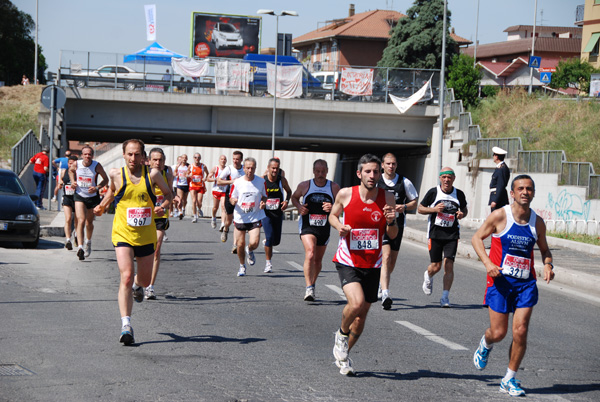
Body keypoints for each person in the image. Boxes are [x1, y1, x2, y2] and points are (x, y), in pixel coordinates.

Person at [471, 174, 554, 397]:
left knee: (521, 331)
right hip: (500, 282)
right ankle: (486, 343)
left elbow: (545, 250)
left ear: (533, 193)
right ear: (512, 193)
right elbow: (476, 238)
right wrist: (488, 263)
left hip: (525, 284)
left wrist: (548, 265)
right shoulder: (500, 216)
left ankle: (509, 378)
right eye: (520, 188)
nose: (525, 192)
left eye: (529, 189)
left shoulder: (537, 222)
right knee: (499, 333)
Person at [93, 139, 171, 345]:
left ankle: (139, 285)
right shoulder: (116, 174)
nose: (133, 158)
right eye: (129, 154)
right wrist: (102, 205)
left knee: (143, 281)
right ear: (123, 154)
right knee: (126, 276)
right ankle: (126, 325)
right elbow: (113, 190)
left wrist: (163, 205)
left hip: (146, 235)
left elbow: (169, 194)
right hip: (123, 233)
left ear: (143, 156)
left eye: (137, 154)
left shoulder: (152, 175)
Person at [329, 154, 397, 375]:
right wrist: (339, 225)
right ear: (359, 173)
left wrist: (391, 220)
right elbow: (332, 215)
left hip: (372, 263)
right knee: (356, 303)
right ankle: (340, 334)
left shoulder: (387, 197)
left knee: (362, 316)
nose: (372, 175)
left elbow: (393, 234)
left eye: (376, 171)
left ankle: (344, 355)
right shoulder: (346, 193)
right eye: (368, 171)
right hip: (348, 259)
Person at [417, 167, 468, 307]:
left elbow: (464, 209)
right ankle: (428, 275)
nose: (447, 179)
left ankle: (445, 297)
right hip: (435, 233)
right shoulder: (434, 192)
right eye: (444, 177)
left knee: (449, 264)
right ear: (440, 178)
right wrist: (434, 209)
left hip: (452, 234)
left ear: (453, 179)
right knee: (436, 266)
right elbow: (420, 208)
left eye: (449, 177)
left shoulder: (459, 194)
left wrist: (462, 214)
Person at [291, 159, 340, 301]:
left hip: (324, 227)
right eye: (317, 171)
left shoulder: (334, 187)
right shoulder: (305, 185)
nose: (320, 174)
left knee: (318, 260)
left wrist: (333, 208)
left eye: (323, 171)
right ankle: (308, 288)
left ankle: (312, 283)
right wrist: (299, 207)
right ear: (313, 171)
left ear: (327, 171)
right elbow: (294, 197)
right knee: (310, 252)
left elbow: (342, 204)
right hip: (307, 225)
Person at [377, 152, 419, 310]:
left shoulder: (404, 182)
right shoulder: (377, 181)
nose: (391, 166)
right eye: (388, 163)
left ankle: (381, 284)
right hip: (381, 225)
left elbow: (415, 202)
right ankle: (386, 293)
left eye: (393, 163)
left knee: (391, 260)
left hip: (397, 225)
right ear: (382, 165)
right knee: (386, 257)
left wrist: (405, 207)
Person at [69, 146, 109, 260]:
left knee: (89, 223)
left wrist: (97, 188)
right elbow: (70, 171)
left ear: (92, 155)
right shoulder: (77, 164)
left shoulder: (96, 165)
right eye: (85, 154)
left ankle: (88, 242)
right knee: (80, 220)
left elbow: (106, 179)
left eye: (89, 154)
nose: (87, 156)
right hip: (79, 195)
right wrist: (73, 182)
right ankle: (80, 248)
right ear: (82, 155)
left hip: (92, 197)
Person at [229, 157, 267, 277]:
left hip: (255, 216)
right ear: (244, 168)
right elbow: (231, 197)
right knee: (240, 244)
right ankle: (242, 266)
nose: (250, 170)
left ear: (255, 168)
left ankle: (250, 250)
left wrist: (263, 202)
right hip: (240, 217)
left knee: (254, 242)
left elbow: (265, 196)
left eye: (252, 168)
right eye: (248, 168)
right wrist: (233, 200)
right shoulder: (237, 182)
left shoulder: (261, 182)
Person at [145, 147, 174, 300]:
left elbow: (170, 192)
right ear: (149, 161)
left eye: (160, 160)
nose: (157, 162)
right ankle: (140, 277)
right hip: (144, 216)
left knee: (156, 249)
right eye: (154, 159)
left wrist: (165, 205)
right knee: (142, 251)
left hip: (160, 216)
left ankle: (150, 286)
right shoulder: (143, 174)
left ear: (164, 162)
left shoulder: (167, 174)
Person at [261, 158, 292, 273]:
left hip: (278, 213)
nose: (274, 170)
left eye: (277, 168)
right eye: (273, 168)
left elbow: (289, 191)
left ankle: (267, 242)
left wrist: (286, 201)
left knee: (276, 241)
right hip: (266, 213)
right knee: (269, 237)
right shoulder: (262, 180)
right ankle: (268, 263)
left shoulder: (281, 180)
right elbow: (257, 193)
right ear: (268, 168)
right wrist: (261, 202)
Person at [217, 150, 244, 246]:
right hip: (230, 196)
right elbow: (219, 181)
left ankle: (235, 244)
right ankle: (225, 229)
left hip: (241, 198)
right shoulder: (229, 169)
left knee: (238, 221)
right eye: (233, 159)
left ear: (241, 160)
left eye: (237, 159)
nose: (235, 161)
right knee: (229, 220)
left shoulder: (245, 169)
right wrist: (232, 181)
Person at [59, 155, 78, 249]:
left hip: (77, 198)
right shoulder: (64, 171)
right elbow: (60, 179)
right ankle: (68, 239)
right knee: (68, 218)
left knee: (77, 220)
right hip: (67, 197)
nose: (71, 165)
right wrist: (60, 183)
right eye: (70, 163)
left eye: (73, 163)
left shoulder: (79, 172)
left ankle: (76, 235)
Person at [208, 154, 228, 230]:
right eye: (222, 159)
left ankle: (222, 224)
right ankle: (213, 217)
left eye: (224, 159)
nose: (223, 160)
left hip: (224, 191)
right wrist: (215, 179)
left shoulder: (227, 169)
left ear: (226, 161)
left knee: (223, 207)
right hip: (216, 190)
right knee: (215, 207)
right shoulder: (215, 168)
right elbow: (208, 178)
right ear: (219, 160)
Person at [188, 153, 209, 223]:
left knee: (199, 202)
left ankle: (199, 209)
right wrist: (189, 175)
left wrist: (205, 178)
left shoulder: (203, 166)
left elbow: (208, 174)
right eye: (195, 157)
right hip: (193, 185)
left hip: (200, 186)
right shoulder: (190, 166)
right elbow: (186, 174)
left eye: (198, 157)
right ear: (193, 158)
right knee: (194, 201)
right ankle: (195, 216)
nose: (197, 159)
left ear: (200, 158)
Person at [489, 146, 511, 212]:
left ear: (496, 157)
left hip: (499, 199)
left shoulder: (502, 169)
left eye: (494, 155)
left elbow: (500, 185)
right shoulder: (500, 168)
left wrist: (495, 200)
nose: (493, 156)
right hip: (496, 196)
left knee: (497, 219)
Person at [174, 154, 190, 220]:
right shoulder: (178, 166)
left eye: (185, 158)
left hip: (186, 184)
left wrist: (187, 175)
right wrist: (177, 174)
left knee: (185, 200)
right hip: (179, 184)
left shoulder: (188, 166)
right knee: (180, 199)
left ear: (187, 159)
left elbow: (191, 174)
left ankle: (183, 208)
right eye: (183, 158)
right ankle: (180, 211)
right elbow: (174, 173)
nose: (184, 159)